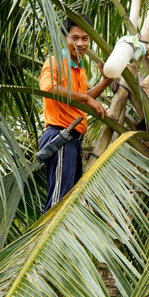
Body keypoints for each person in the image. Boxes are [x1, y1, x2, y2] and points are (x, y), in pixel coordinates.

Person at [39, 15, 112, 213]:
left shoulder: (78, 69)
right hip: (61, 135)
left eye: (85, 39)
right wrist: (87, 99)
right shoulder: (56, 62)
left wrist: (105, 82)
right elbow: (48, 88)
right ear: (64, 37)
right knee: (59, 202)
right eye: (74, 37)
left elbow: (81, 98)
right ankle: (48, 243)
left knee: (68, 204)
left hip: (72, 139)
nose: (80, 43)